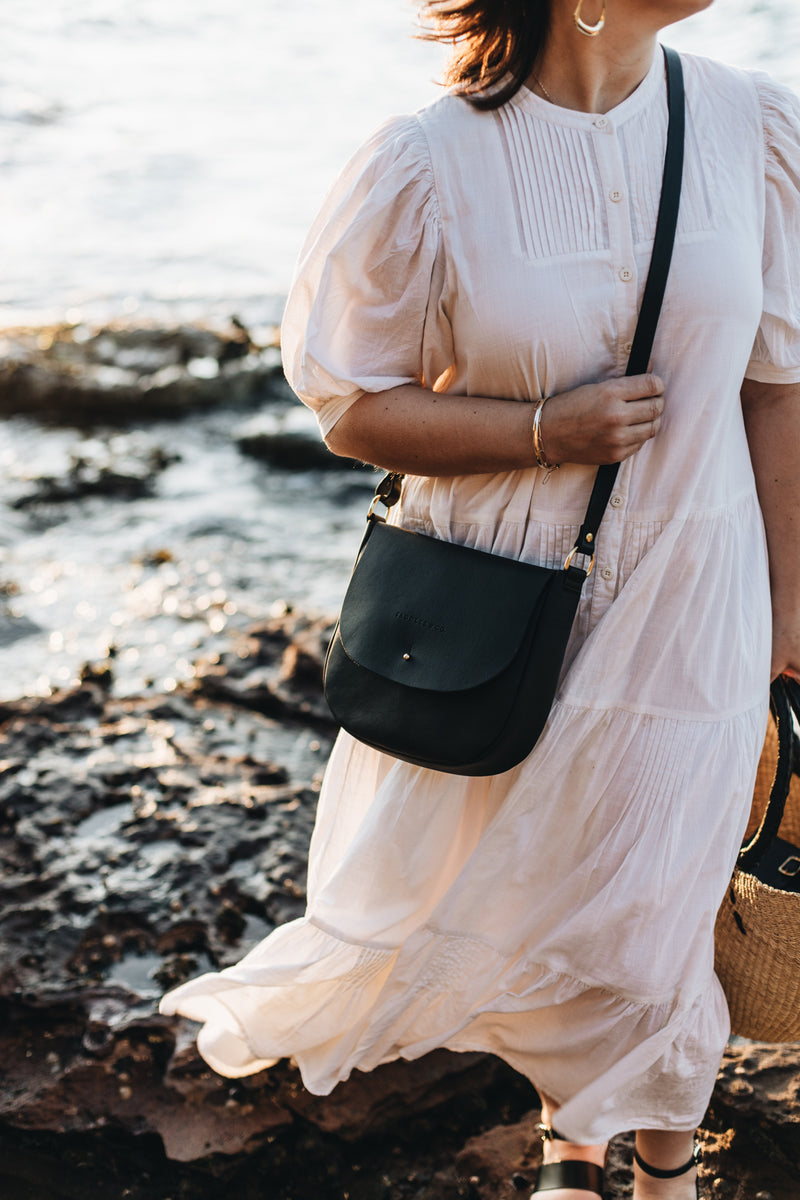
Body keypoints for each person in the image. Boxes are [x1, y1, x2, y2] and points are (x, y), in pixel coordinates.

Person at [159, 1, 800, 1195]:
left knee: (658, 890)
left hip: (694, 586)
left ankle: (659, 1168)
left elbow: (776, 385)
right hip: (505, 594)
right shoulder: (428, 162)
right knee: (545, 879)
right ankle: (572, 1136)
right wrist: (543, 430)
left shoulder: (747, 122)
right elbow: (351, 405)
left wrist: (794, 602)